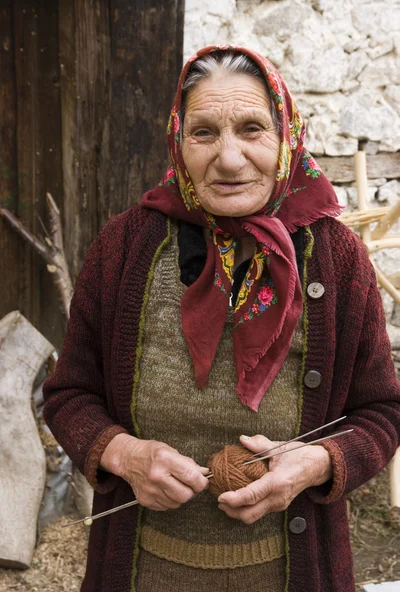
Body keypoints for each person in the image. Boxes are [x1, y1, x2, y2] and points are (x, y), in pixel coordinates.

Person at [43, 44, 400, 592]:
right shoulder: (123, 247)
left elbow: (381, 411)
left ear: (285, 137)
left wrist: (318, 463)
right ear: (178, 142)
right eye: (204, 132)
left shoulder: (337, 257)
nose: (229, 159)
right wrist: (123, 454)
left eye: (252, 128)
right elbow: (68, 395)